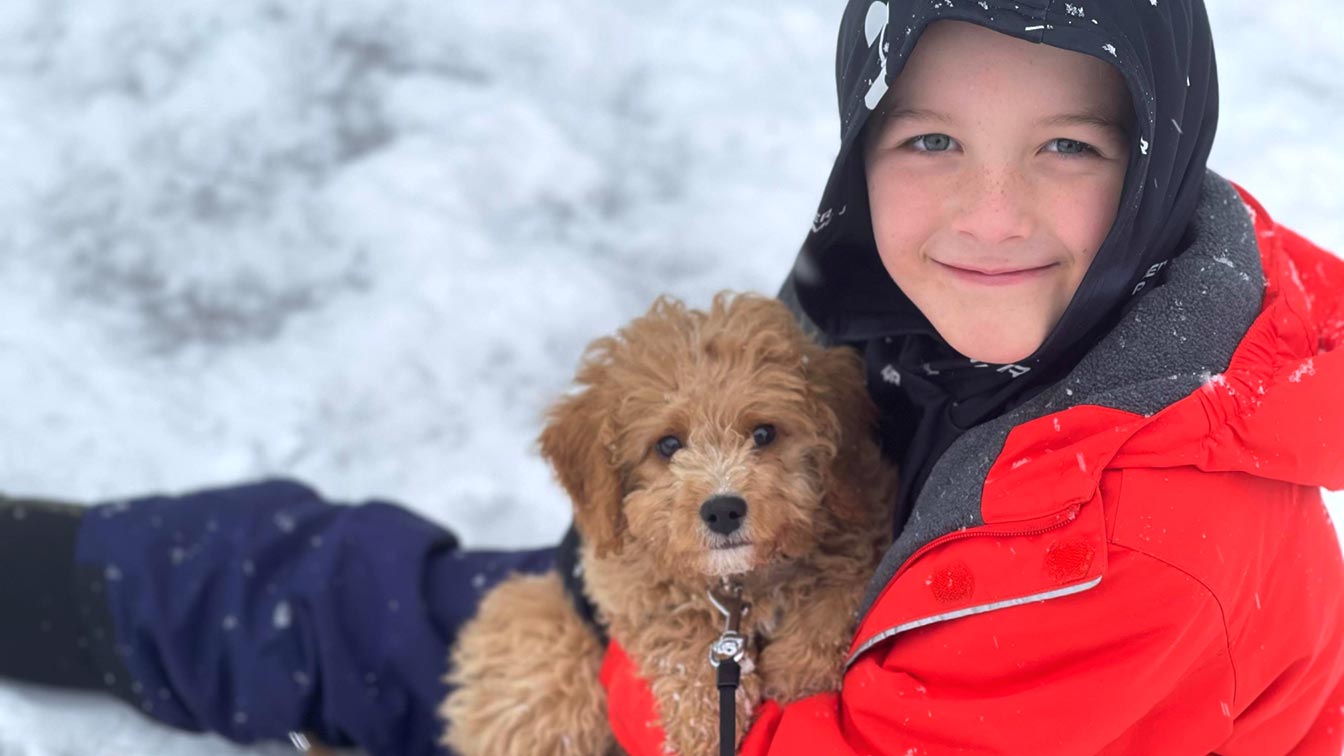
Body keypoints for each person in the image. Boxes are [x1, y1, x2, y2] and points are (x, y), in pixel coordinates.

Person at [2, 1, 1342, 755]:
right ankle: (69, 586)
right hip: (761, 626)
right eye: (930, 140)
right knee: (385, 606)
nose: (989, 214)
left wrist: (618, 663)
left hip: (770, 711)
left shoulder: (1147, 561)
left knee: (471, 660)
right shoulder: (990, 310)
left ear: (1158, 162)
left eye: (1064, 148)